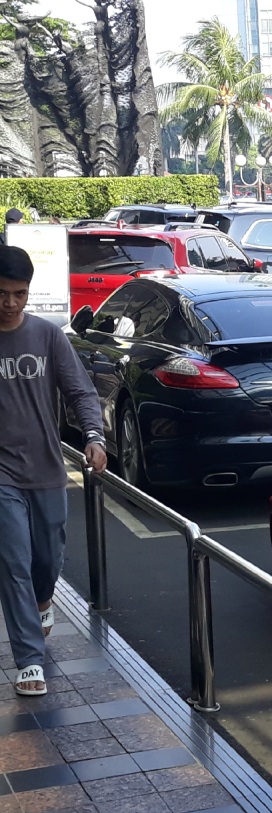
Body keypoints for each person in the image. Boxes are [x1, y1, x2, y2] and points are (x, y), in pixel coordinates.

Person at [0, 246, 106, 696]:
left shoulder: (46, 336)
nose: (10, 303)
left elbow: (81, 391)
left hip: (45, 468)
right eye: (2, 293)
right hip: (2, 475)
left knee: (47, 558)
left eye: (19, 294)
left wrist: (95, 435)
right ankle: (28, 659)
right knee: (13, 562)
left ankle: (45, 601)